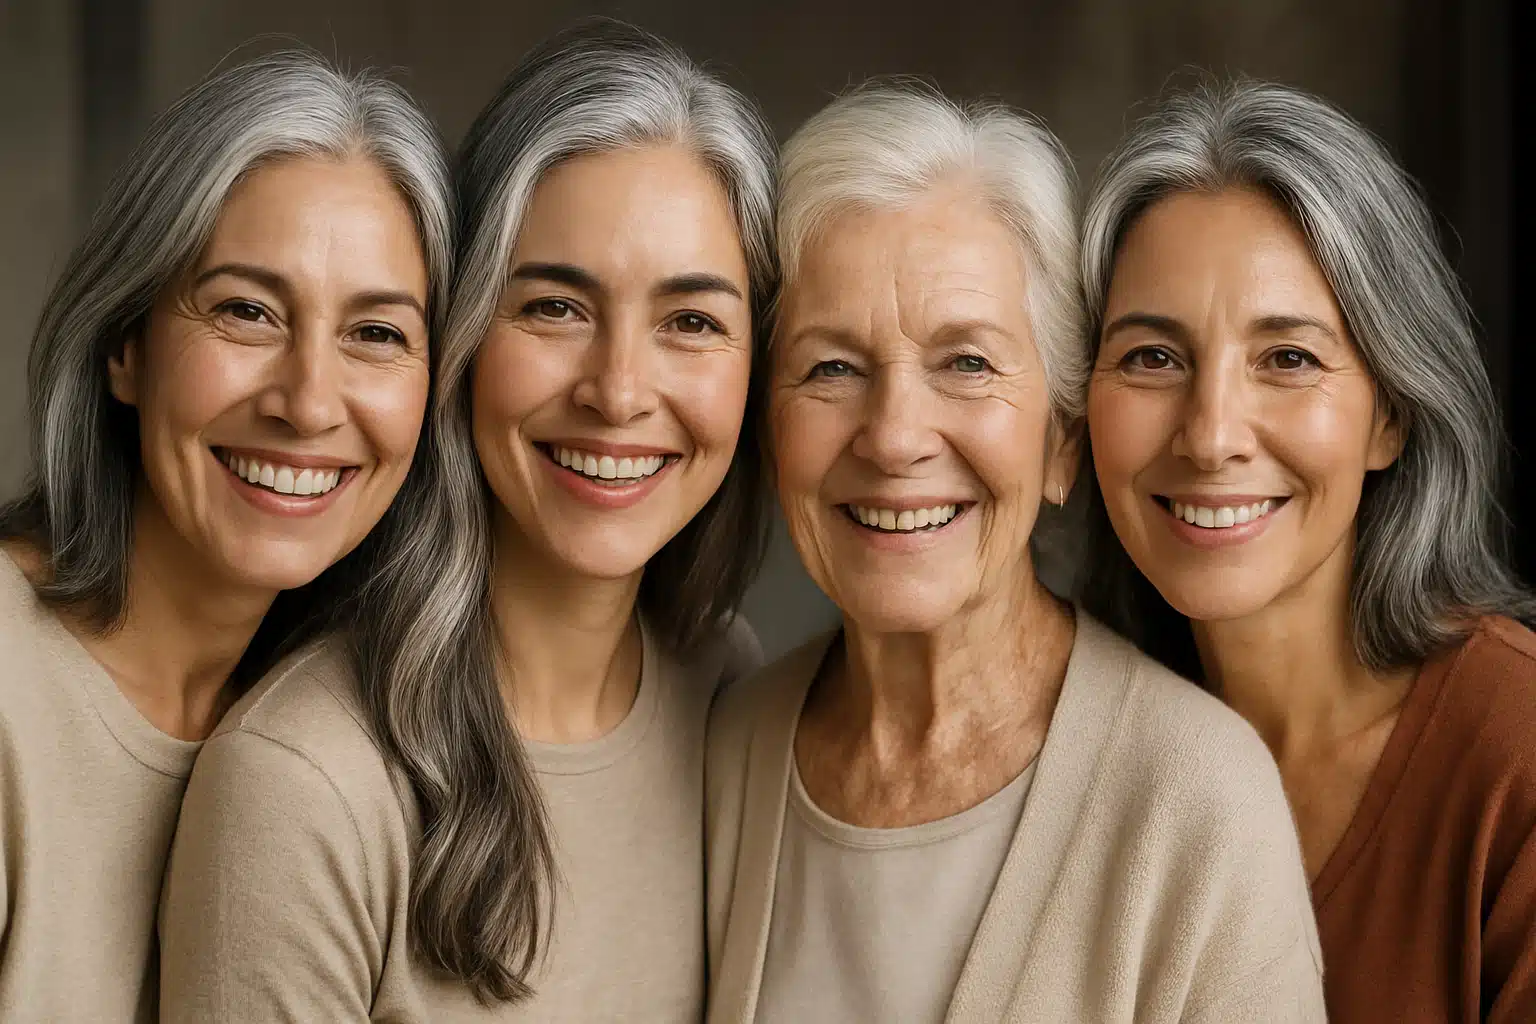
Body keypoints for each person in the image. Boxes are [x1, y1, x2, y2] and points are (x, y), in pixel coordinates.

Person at [158, 20, 776, 1020]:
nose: (619, 391)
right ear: (460, 335)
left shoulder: (724, 685)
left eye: (691, 322)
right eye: (555, 307)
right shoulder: (304, 783)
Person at [705, 81, 1326, 1024]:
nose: (894, 437)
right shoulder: (728, 749)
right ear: (767, 430)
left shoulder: (1199, 797)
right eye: (831, 367)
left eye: (968, 363)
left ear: (1063, 441)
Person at [0, 50, 451, 1022]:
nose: (308, 402)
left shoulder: (360, 731)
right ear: (126, 344)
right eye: (246, 311)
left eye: (375, 333)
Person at [1081, 78, 1536, 1022]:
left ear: (1391, 414)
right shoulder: (1071, 753)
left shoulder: (1517, 754)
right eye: (1152, 357)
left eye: (1287, 359)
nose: (1211, 437)